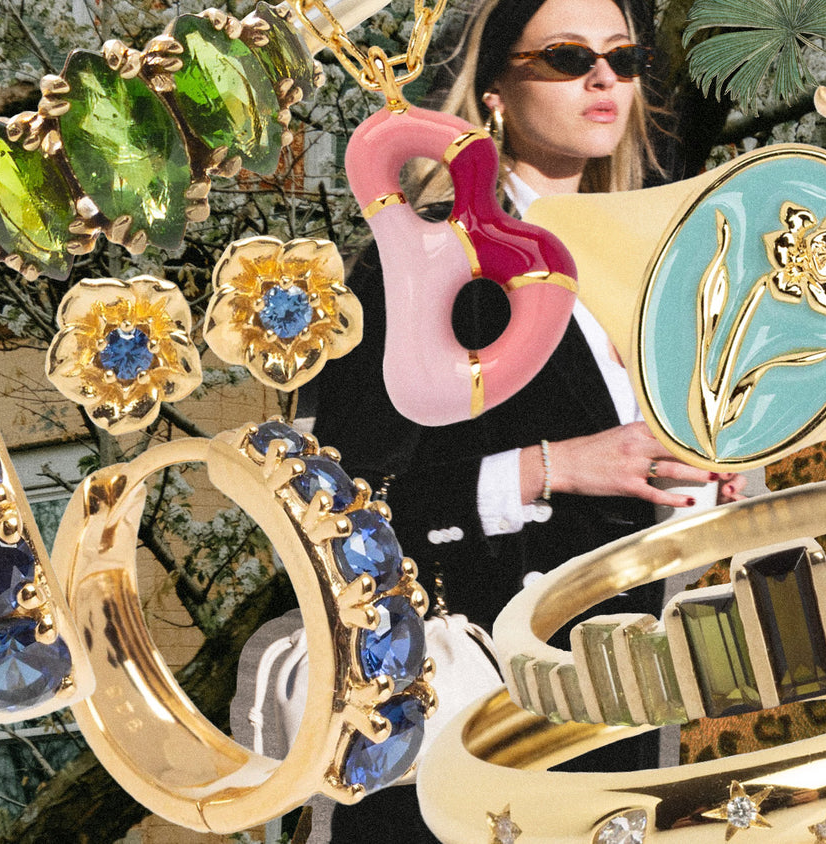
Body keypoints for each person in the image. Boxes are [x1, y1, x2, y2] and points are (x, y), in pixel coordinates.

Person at [309, 0, 743, 837]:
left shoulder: (666, 273)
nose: (605, 78)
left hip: (609, 735)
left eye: (625, 58)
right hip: (454, 752)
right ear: (498, 87)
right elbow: (346, 508)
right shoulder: (423, 260)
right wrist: (554, 467)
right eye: (569, 57)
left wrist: (699, 490)